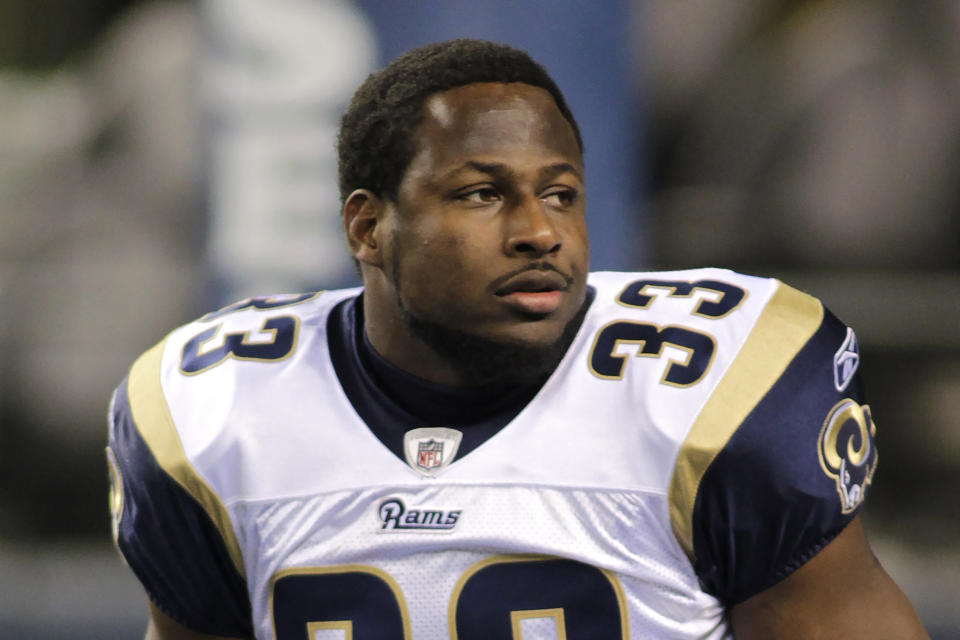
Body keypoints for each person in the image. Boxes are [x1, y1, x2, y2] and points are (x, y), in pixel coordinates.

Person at [106, 39, 928, 639]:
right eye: (481, 194)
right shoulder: (213, 408)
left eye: (561, 194)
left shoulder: (721, 386)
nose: (541, 231)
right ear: (368, 225)